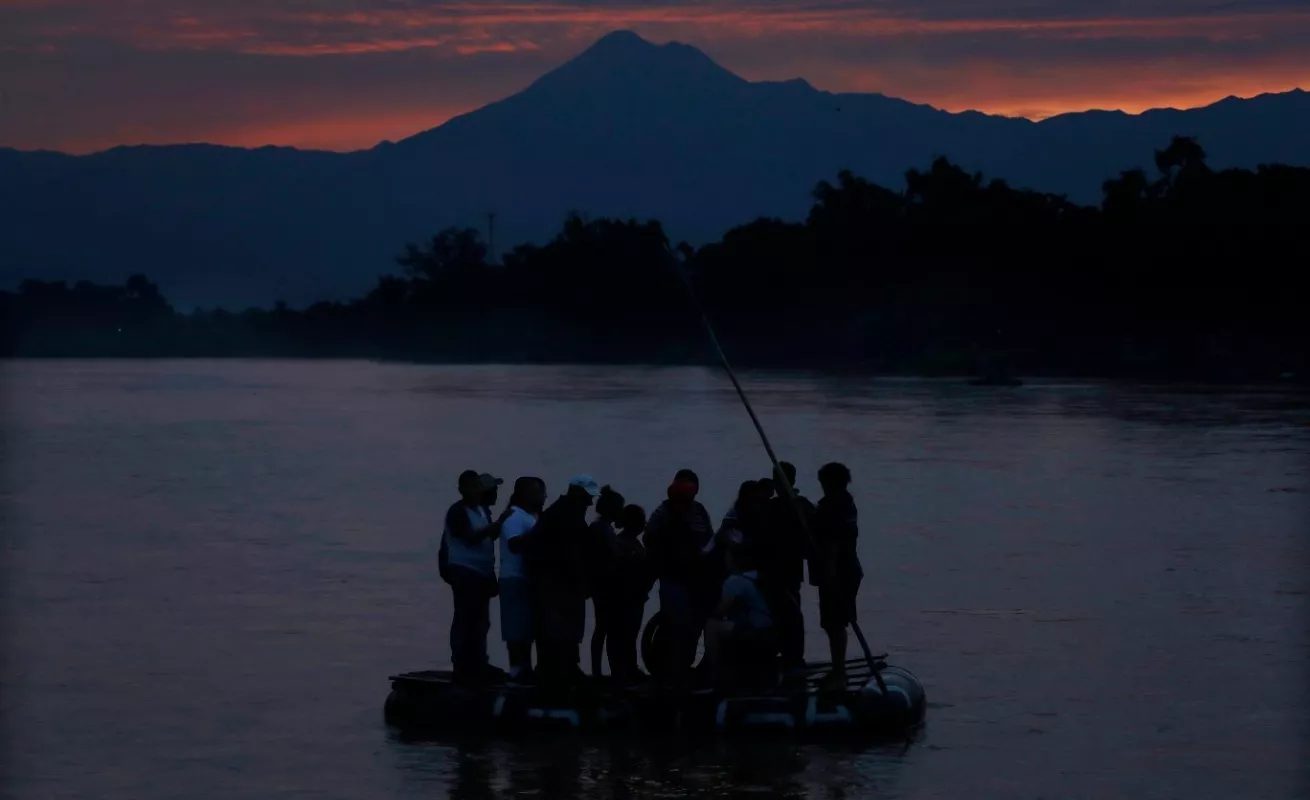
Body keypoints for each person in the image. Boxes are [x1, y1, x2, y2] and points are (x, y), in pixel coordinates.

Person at [513, 474, 601, 687]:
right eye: (587, 497)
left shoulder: (564, 513)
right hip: (557, 583)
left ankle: (563, 667)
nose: (590, 502)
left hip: (559, 582)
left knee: (563, 627)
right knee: (558, 627)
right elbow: (567, 552)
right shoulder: (564, 515)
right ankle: (557, 670)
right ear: (577, 494)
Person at [643, 469, 714, 685]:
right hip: (673, 579)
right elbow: (649, 538)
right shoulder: (664, 511)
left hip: (698, 580)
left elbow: (710, 540)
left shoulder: (699, 511)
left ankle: (685, 666)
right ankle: (670, 671)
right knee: (675, 626)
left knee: (695, 625)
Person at [441, 470, 512, 683]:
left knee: (481, 621)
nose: (480, 491)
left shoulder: (482, 511)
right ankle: (462, 664)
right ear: (463, 489)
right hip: (464, 571)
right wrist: (498, 523)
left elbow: (489, 537)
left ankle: (478, 662)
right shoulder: (457, 511)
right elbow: (471, 537)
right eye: (475, 487)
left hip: (480, 573)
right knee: (466, 618)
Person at [704, 532, 778, 692]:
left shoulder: (735, 581)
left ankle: (712, 674)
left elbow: (719, 611)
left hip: (757, 633)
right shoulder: (756, 576)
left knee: (712, 625)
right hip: (771, 631)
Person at [763, 461, 816, 677]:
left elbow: (813, 534)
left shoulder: (801, 505)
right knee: (773, 615)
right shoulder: (770, 507)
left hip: (790, 570)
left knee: (792, 614)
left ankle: (794, 657)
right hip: (770, 571)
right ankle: (778, 655)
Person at [813, 462, 863, 691]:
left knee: (834, 622)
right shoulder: (846, 502)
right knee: (834, 622)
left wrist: (830, 571)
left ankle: (839, 673)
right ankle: (837, 670)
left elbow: (834, 541)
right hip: (847, 569)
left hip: (839, 571)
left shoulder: (834, 505)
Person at [498, 476, 546, 684]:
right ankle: (516, 669)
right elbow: (514, 544)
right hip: (514, 578)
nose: (542, 497)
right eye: (538, 493)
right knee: (516, 627)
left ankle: (526, 668)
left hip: (527, 579)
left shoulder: (531, 516)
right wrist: (538, 532)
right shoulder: (514, 516)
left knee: (527, 628)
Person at [608, 504, 653, 684]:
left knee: (629, 635)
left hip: (634, 598)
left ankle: (629, 667)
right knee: (621, 635)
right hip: (625, 598)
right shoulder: (622, 545)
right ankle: (621, 671)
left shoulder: (633, 543)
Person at [587, 486, 624, 678]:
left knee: (605, 628)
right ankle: (597, 671)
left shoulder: (603, 527)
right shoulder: (600, 529)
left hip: (604, 585)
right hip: (603, 586)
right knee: (603, 627)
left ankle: (602, 669)